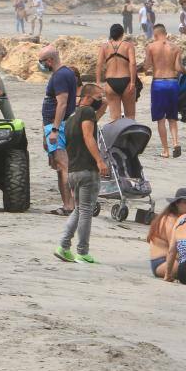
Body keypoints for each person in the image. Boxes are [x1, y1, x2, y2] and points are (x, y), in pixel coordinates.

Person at [53, 84, 110, 264]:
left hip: (73, 171)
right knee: (86, 211)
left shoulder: (72, 118)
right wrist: (100, 161)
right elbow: (88, 136)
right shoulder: (86, 113)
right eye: (97, 97)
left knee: (79, 210)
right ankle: (82, 252)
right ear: (86, 97)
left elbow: (92, 123)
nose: (99, 100)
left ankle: (63, 247)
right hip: (87, 170)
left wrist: (104, 103)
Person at [39, 44, 78, 215]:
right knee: (58, 165)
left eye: (41, 61)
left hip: (58, 126)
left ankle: (70, 206)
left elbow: (62, 103)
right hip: (54, 126)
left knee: (63, 165)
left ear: (49, 60)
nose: (40, 65)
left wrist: (54, 129)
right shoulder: (65, 73)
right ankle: (67, 204)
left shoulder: (61, 75)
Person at [145, 24, 182, 159]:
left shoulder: (151, 47)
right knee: (172, 117)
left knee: (160, 119)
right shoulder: (176, 48)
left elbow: (147, 66)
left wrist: (144, 66)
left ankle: (166, 150)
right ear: (166, 33)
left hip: (159, 83)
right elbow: (178, 67)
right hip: (173, 83)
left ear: (155, 35)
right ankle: (176, 143)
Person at [96, 23, 138, 122]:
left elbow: (99, 65)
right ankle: (129, 137)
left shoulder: (104, 47)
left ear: (111, 34)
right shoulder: (128, 46)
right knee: (130, 116)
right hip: (126, 80)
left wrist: (98, 82)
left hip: (110, 83)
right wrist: (132, 82)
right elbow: (133, 63)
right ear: (122, 34)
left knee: (115, 118)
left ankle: (117, 137)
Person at [148, 188, 186, 278]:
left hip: (169, 261)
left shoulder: (178, 218)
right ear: (177, 203)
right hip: (162, 262)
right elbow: (174, 248)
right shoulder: (169, 220)